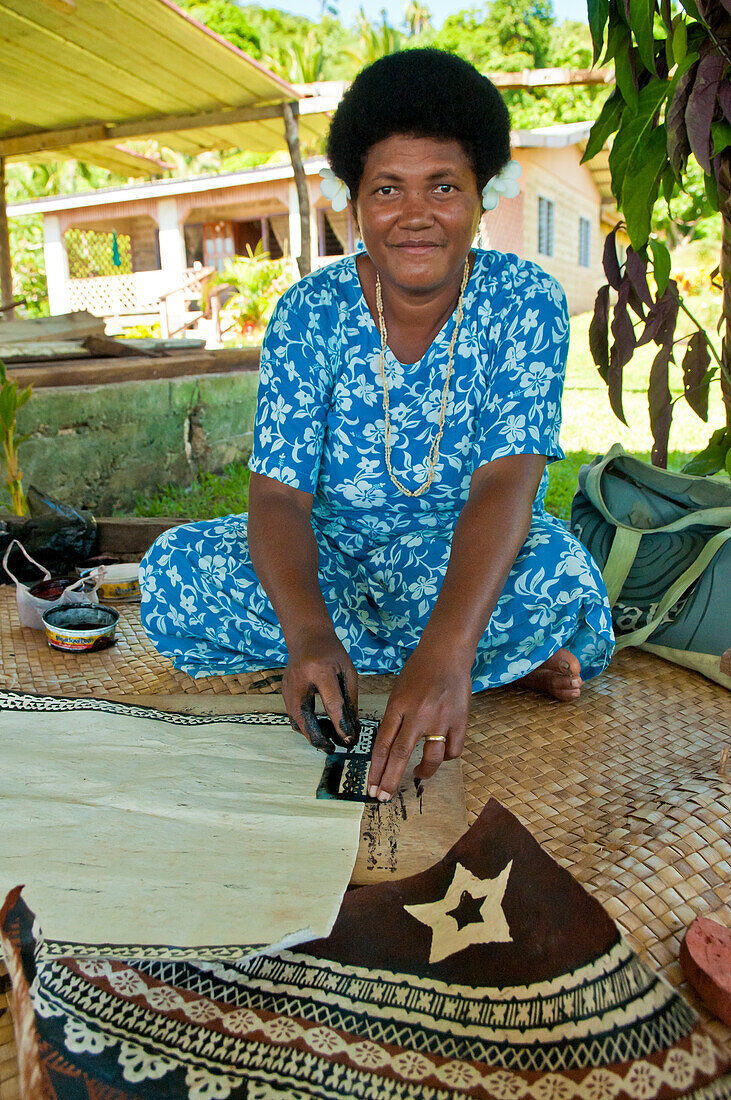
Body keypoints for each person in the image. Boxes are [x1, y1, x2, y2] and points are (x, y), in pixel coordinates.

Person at [140, 49, 614, 802]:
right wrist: (307, 631)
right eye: (387, 188)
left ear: (482, 196)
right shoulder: (308, 311)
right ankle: (482, 660)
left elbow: (505, 485)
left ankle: (453, 657)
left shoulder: (525, 299)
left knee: (555, 573)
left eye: (443, 187)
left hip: (460, 558)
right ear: (355, 202)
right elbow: (277, 499)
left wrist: (448, 647)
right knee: (176, 569)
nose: (415, 214)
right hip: (331, 557)